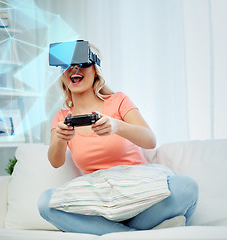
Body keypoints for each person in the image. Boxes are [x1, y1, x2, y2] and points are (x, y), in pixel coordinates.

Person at [38, 41, 198, 235]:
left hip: (140, 192)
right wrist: (61, 138)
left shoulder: (119, 101)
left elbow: (150, 140)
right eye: (67, 65)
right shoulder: (62, 117)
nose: (74, 69)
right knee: (46, 203)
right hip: (98, 199)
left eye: (83, 63)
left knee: (187, 187)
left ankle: (113, 233)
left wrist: (117, 126)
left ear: (95, 70)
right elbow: (55, 161)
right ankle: (130, 235)